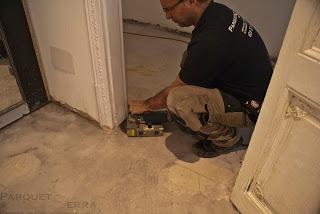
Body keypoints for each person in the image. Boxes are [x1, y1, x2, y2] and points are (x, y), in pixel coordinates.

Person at [129, 0, 273, 158]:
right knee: (191, 57)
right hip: (251, 87)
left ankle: (227, 139)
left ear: (192, 1)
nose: (168, 16)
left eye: (169, 9)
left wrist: (145, 105)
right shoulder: (217, 12)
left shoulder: (211, 39)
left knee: (177, 100)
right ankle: (209, 113)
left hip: (250, 108)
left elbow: (175, 89)